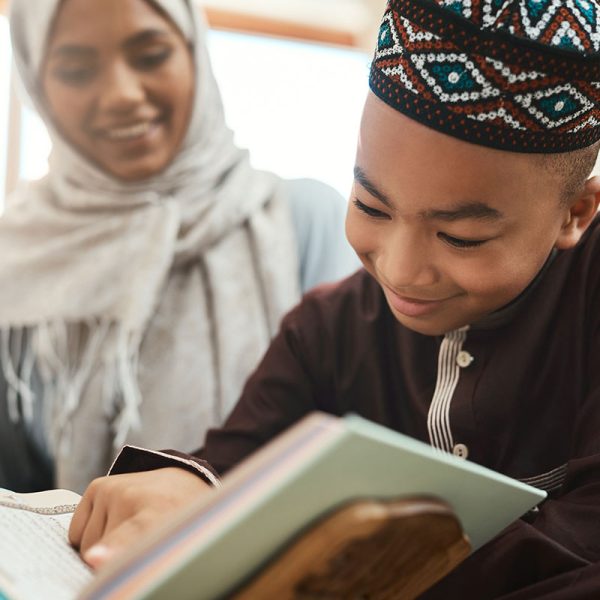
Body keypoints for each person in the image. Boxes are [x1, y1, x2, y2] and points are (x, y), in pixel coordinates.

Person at [69, 0, 600, 596]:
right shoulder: (326, 333)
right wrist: (192, 488)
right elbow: (232, 465)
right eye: (370, 207)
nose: (399, 271)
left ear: (576, 212)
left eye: (461, 237)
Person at [0, 0, 358, 494]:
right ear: (36, 82)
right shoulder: (16, 257)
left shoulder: (301, 221)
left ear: (194, 52)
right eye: (77, 70)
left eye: (150, 56)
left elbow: (345, 451)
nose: (122, 95)